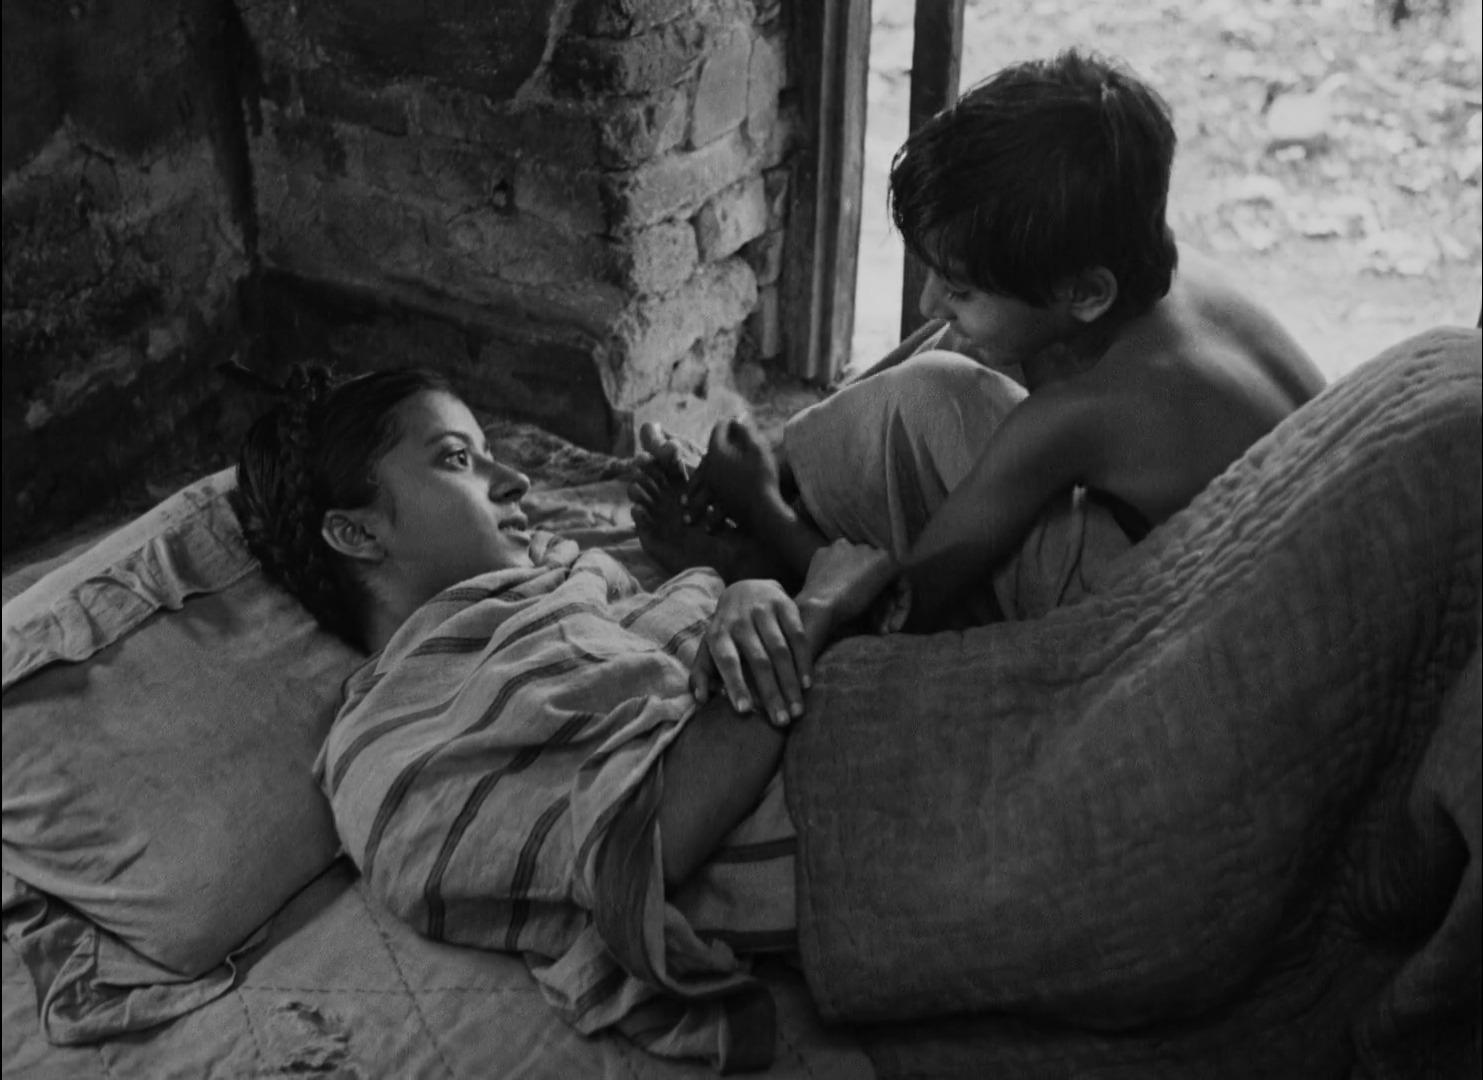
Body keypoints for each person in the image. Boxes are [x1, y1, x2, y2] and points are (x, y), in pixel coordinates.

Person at [631, 48, 1326, 719]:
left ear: (1087, 291)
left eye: (957, 286)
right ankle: (780, 464)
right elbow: (970, 327)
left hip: (1204, 647)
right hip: (1240, 557)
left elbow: (906, 609)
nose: (928, 299)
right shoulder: (1131, 260)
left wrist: (761, 507)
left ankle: (768, 534)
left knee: (936, 392)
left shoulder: (1083, 413)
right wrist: (778, 455)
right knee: (967, 341)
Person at [229, 362, 881, 1070]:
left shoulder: (568, 577)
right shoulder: (392, 751)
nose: (516, 480)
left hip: (868, 688)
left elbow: (687, 655)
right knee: (923, 397)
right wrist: (809, 609)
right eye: (457, 459)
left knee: (900, 398)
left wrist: (731, 575)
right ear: (355, 533)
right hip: (859, 790)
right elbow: (650, 840)